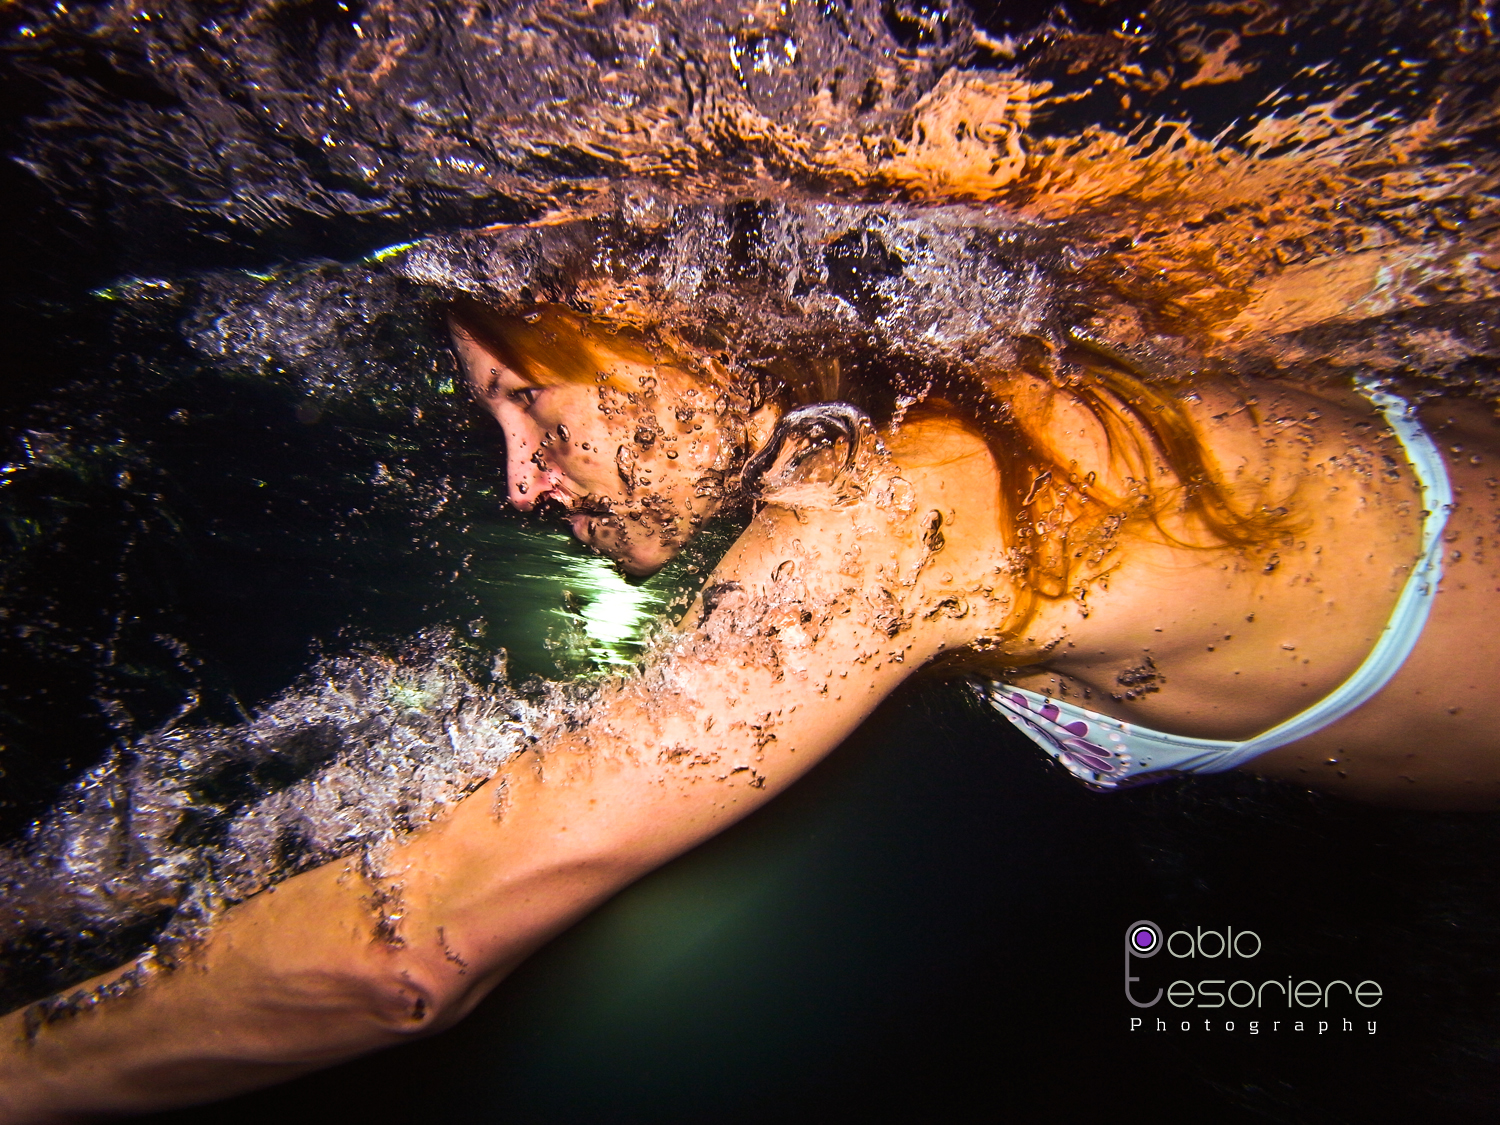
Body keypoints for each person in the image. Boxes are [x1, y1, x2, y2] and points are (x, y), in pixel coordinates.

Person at [3, 296, 1498, 1120]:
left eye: (527, 398)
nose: (518, 479)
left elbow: (409, 951)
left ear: (655, 319)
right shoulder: (934, 409)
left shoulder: (900, 505)